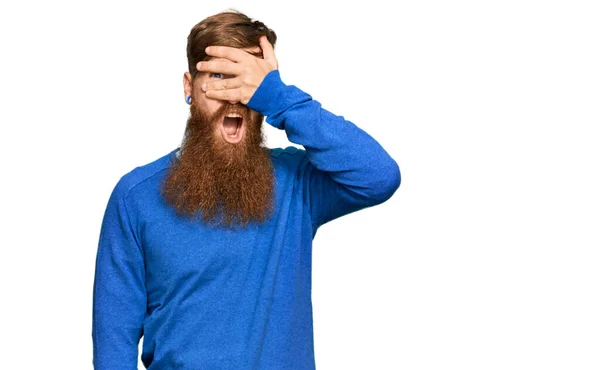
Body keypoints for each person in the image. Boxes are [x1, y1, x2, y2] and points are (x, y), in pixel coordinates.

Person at [92, 9, 401, 370]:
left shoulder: (296, 184)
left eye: (247, 82)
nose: (234, 96)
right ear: (189, 87)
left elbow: (379, 176)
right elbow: (114, 340)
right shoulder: (136, 196)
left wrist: (278, 97)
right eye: (219, 77)